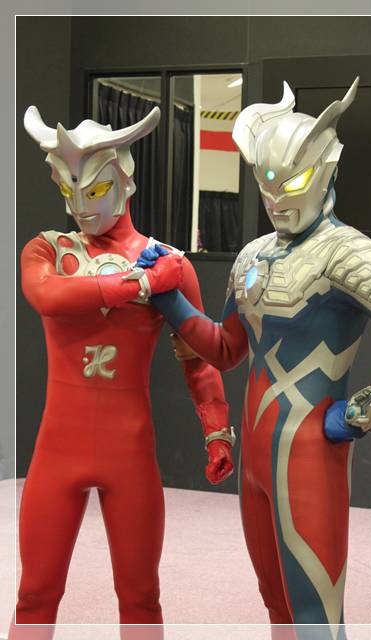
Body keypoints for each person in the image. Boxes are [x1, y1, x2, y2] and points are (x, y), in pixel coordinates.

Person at [145, 78, 371, 639]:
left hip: (309, 455)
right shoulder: (253, 254)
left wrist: (363, 413)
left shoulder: (345, 251)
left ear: (326, 171)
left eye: (292, 183)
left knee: (315, 616)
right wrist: (169, 298)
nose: (276, 200)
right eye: (265, 184)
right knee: (276, 604)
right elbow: (226, 348)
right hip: (258, 458)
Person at [10, 105, 234, 640]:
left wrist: (217, 431)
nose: (80, 207)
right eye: (68, 191)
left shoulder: (167, 262)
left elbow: (198, 359)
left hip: (128, 452)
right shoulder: (50, 249)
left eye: (93, 191)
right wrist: (141, 285)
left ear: (123, 180)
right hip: (57, 452)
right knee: (35, 592)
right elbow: (48, 296)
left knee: (140, 596)